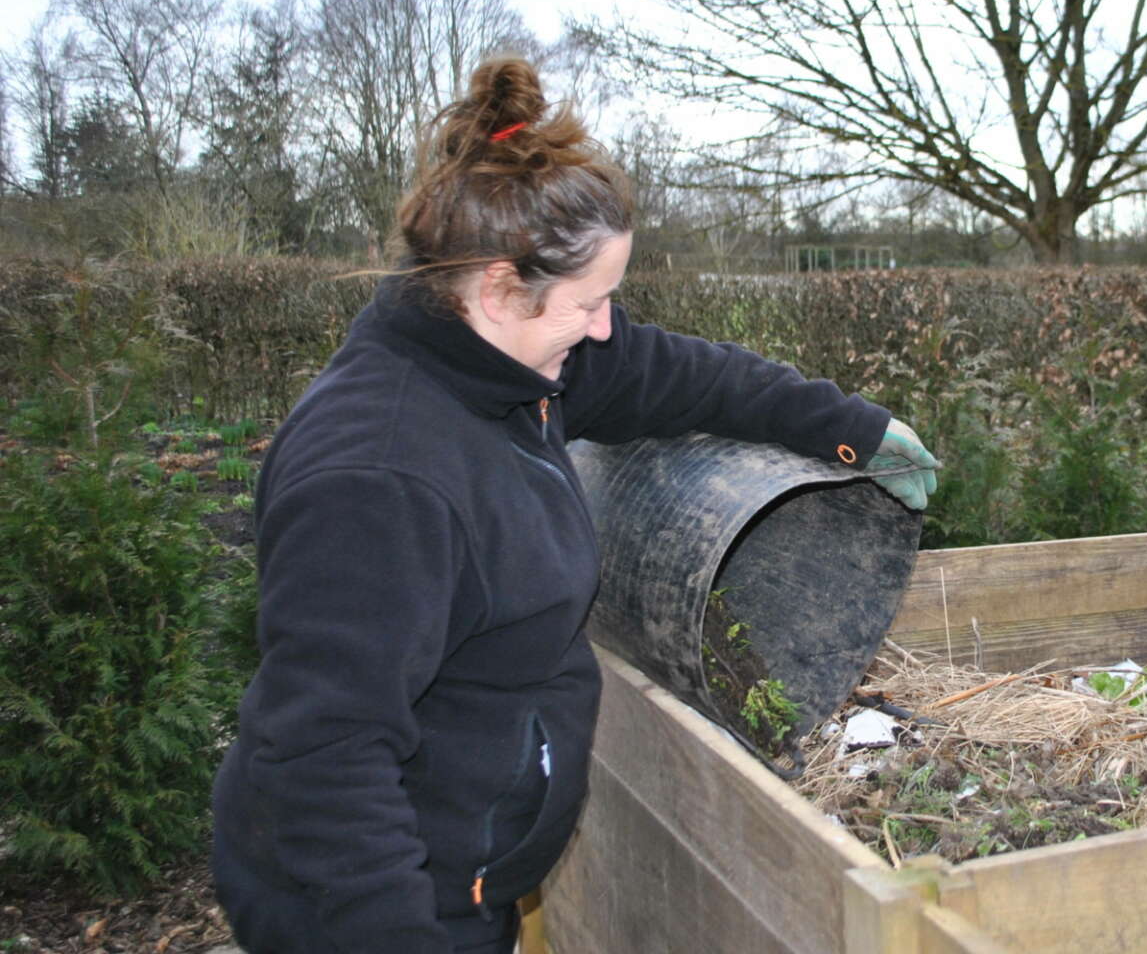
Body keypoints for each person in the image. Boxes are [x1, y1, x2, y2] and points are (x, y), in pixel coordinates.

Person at [211, 57, 940, 954]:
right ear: (496, 288)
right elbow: (326, 766)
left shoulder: (511, 362)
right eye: (589, 302)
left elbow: (665, 370)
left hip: (470, 871)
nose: (603, 327)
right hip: (381, 907)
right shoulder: (378, 481)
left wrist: (851, 428)